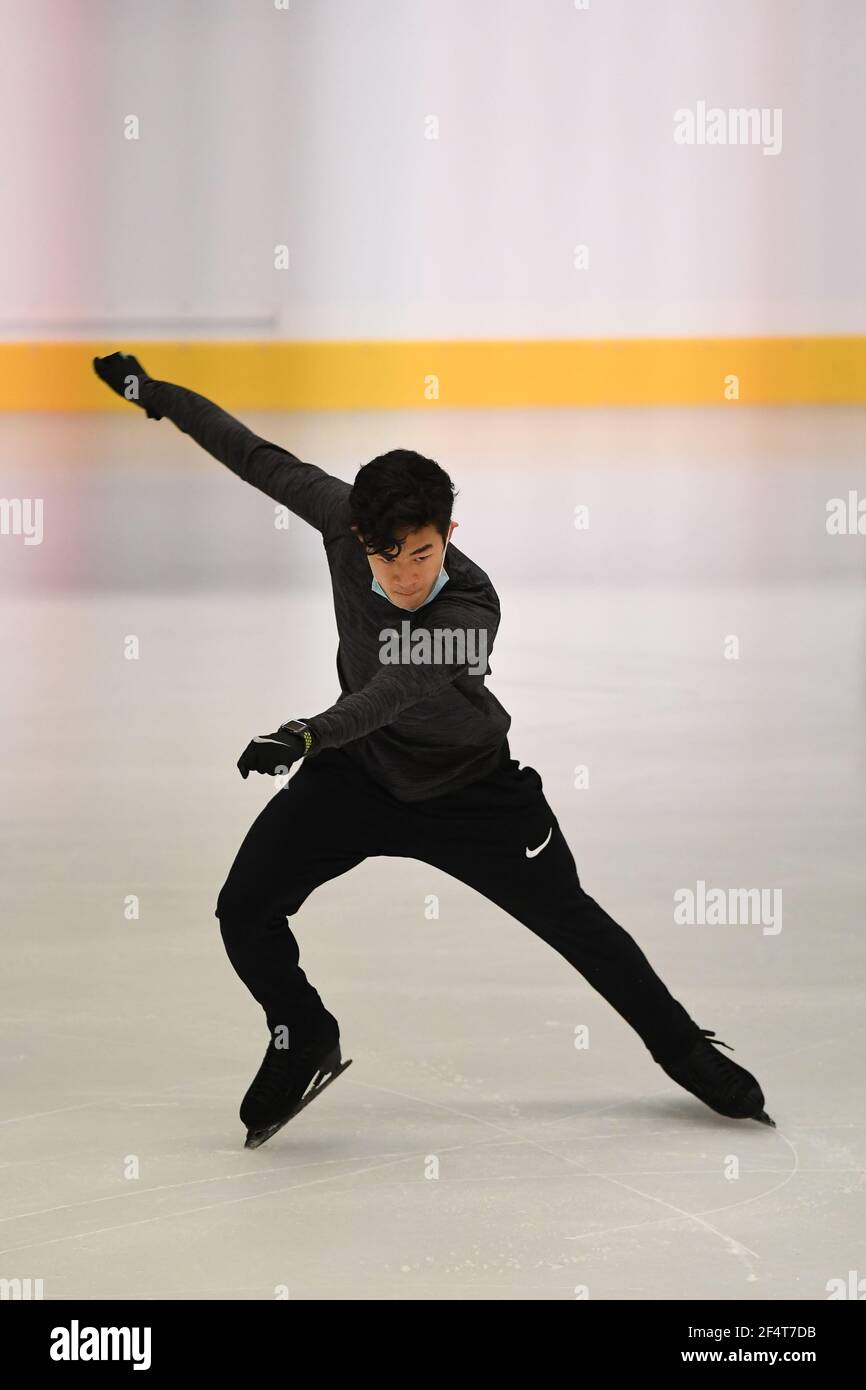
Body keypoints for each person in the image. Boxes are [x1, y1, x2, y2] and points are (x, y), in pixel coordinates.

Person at [93, 352, 775, 1147]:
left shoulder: (472, 605)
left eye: (423, 552)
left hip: (472, 792)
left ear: (448, 532)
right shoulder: (340, 521)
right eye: (388, 557)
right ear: (359, 537)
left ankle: (685, 1050)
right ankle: (303, 1032)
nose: (408, 573)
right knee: (243, 909)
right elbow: (251, 454)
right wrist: (154, 394)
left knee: (577, 924)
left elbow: (389, 693)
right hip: (358, 779)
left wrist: (306, 734)